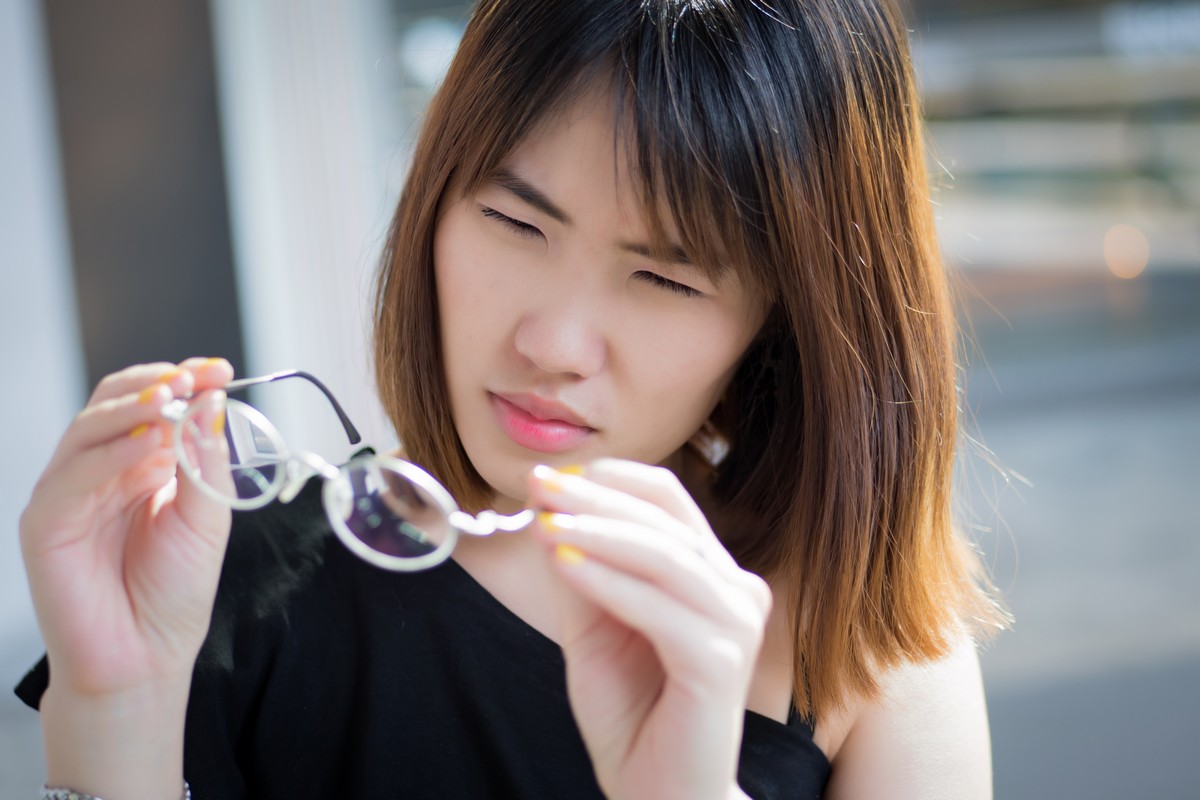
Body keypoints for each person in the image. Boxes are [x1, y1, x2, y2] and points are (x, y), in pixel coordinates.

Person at [16, 0, 1008, 797]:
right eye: (512, 218)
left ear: (788, 323)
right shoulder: (225, 584)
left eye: (666, 278)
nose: (552, 341)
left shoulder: (866, 649)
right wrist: (115, 713)